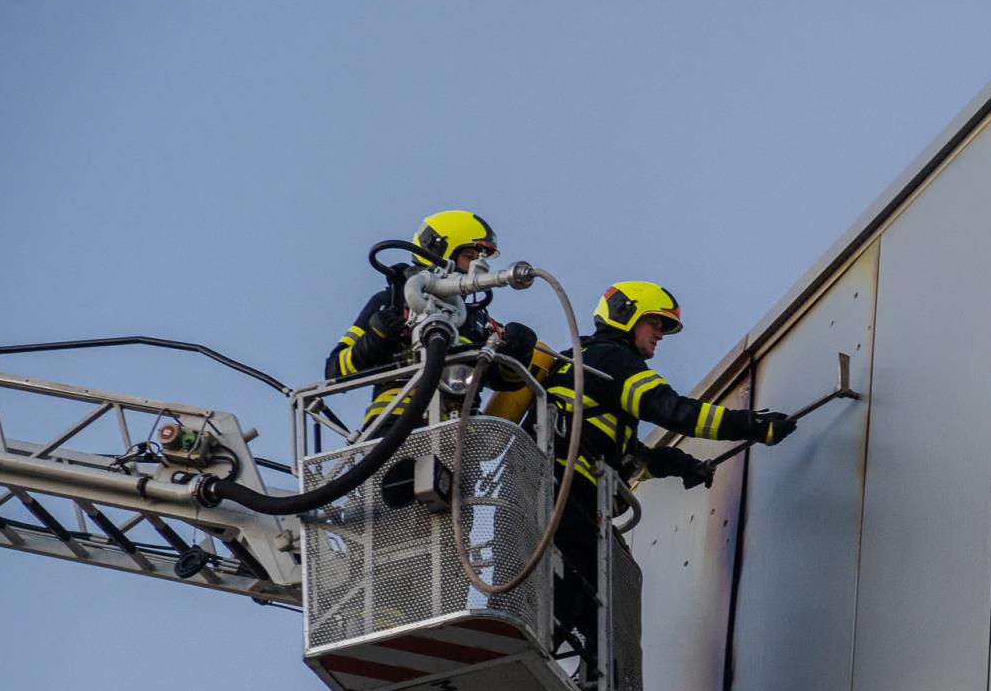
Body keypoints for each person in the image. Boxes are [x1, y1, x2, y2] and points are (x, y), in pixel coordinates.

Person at [540, 280, 795, 656]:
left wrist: (676, 464)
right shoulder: (613, 359)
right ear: (626, 316)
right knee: (579, 599)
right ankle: (532, 657)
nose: (660, 334)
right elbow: (672, 410)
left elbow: (617, 453)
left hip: (558, 493)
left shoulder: (589, 363)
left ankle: (566, 669)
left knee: (590, 607)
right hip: (567, 495)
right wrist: (751, 425)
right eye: (654, 323)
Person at [326, 210, 538, 428]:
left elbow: (505, 380)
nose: (476, 269)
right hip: (396, 423)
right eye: (469, 257)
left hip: (459, 431)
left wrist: (519, 351)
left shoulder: (477, 321)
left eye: (480, 261)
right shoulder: (391, 303)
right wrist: (374, 339)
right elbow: (335, 371)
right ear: (438, 251)